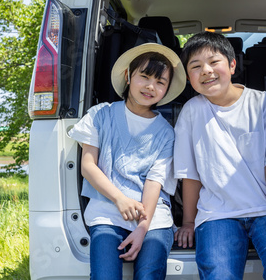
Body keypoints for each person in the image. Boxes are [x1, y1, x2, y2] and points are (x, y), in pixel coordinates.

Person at [173, 32, 266, 280]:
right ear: (189, 78)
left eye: (214, 62)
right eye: (196, 66)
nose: (206, 71)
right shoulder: (191, 112)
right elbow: (191, 175)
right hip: (217, 214)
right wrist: (188, 222)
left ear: (232, 65)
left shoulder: (262, 103)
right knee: (218, 274)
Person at [68, 43, 186, 280]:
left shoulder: (166, 132)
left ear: (166, 89)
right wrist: (119, 199)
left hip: (151, 218)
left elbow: (155, 181)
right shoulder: (101, 114)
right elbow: (88, 166)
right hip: (107, 211)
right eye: (144, 76)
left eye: (160, 82)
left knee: (149, 274)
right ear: (128, 76)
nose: (151, 86)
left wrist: (142, 227)